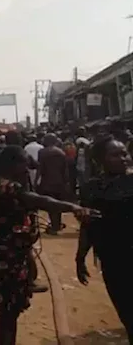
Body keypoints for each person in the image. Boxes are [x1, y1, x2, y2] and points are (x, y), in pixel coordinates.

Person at [0, 145, 94, 345]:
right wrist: (72, 206)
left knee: (10, 310)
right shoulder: (8, 187)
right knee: (8, 312)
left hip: (10, 255)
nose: (27, 169)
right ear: (11, 165)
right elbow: (40, 201)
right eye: (23, 164)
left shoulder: (5, 185)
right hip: (8, 258)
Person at [76, 136, 132, 340]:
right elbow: (88, 225)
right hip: (112, 260)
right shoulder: (91, 189)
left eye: (125, 153)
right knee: (126, 311)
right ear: (100, 160)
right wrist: (80, 257)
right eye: (115, 155)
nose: (124, 158)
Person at [36, 133, 70, 234]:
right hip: (59, 182)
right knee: (58, 204)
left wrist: (36, 181)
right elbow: (65, 170)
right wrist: (66, 182)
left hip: (47, 182)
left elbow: (40, 168)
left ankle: (54, 227)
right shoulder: (61, 152)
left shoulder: (42, 152)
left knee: (50, 204)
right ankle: (57, 224)